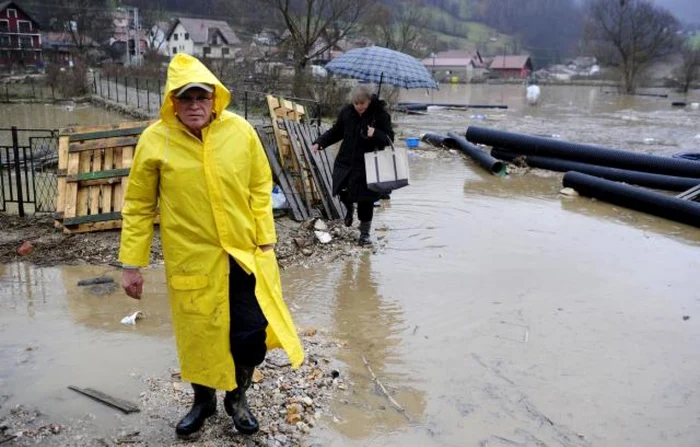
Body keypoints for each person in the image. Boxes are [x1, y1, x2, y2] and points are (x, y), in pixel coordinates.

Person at [119, 53, 304, 439]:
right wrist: (131, 265)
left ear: (215, 97)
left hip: (243, 255)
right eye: (185, 98)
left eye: (201, 97)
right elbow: (138, 206)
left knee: (250, 333)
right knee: (200, 335)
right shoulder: (155, 141)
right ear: (172, 101)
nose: (194, 105)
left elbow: (259, 186)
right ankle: (202, 401)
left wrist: (265, 237)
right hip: (192, 262)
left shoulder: (240, 133)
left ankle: (237, 398)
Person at [311, 84, 394, 246]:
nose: (359, 107)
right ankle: (349, 209)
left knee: (366, 200)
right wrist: (320, 143)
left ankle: (364, 235)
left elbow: (389, 139)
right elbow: (336, 131)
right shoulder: (347, 112)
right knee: (341, 190)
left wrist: (376, 134)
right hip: (345, 160)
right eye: (356, 103)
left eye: (362, 103)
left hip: (367, 164)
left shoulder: (380, 115)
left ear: (369, 101)